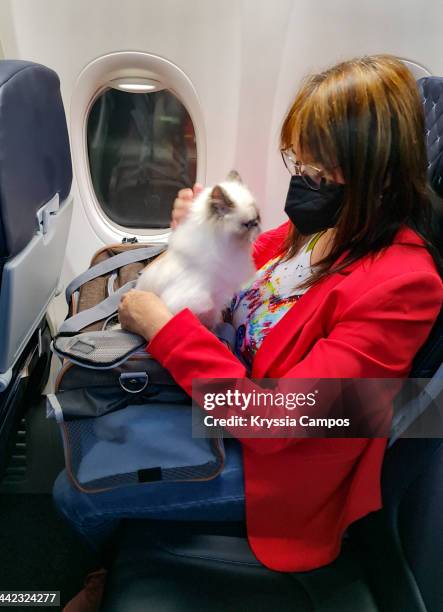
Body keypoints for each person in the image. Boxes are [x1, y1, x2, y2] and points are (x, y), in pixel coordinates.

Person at [54, 54, 443, 573]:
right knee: (98, 426)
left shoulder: (403, 285)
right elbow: (250, 261)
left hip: (276, 465)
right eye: (298, 162)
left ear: (373, 172)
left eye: (316, 168)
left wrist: (164, 328)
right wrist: (197, 234)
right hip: (225, 385)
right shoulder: (328, 227)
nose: (301, 179)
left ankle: (100, 574)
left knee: (73, 491)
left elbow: (281, 423)